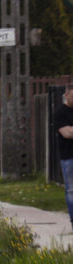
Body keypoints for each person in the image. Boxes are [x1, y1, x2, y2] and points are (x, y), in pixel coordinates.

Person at [53, 85, 73, 229]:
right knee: (71, 189)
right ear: (66, 94)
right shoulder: (60, 112)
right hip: (69, 156)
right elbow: (67, 133)